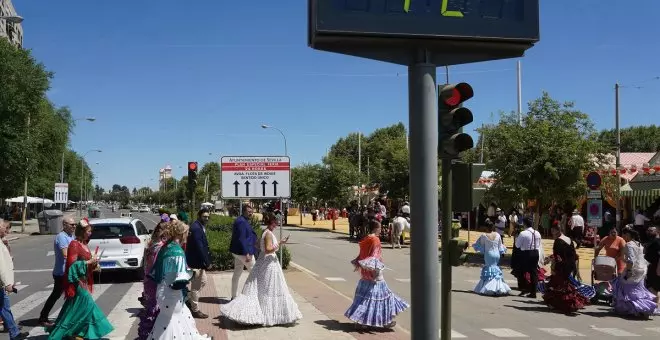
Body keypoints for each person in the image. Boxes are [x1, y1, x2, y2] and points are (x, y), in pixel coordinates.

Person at [221, 212, 302, 326]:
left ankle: (264, 313)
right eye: (275, 223)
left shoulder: (264, 232)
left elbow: (257, 245)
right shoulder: (268, 234)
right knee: (270, 289)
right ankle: (267, 315)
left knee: (263, 289)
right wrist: (280, 242)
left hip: (264, 261)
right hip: (269, 263)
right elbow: (268, 249)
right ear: (271, 223)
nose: (277, 225)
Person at [46, 218, 114, 339]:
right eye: (88, 231)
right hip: (78, 282)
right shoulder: (74, 244)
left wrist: (94, 265)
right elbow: (72, 266)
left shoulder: (84, 244)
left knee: (75, 308)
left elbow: (85, 262)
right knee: (89, 305)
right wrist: (89, 262)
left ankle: (77, 333)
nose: (90, 233)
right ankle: (80, 332)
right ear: (82, 231)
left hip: (84, 280)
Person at [147, 220, 211, 339]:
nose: (187, 236)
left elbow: (159, 272)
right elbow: (180, 280)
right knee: (172, 321)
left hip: (162, 291)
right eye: (187, 233)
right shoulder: (177, 251)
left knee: (175, 318)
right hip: (171, 295)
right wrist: (193, 273)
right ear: (181, 234)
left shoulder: (166, 247)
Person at [345, 220, 408, 329]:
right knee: (381, 296)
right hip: (375, 272)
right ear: (376, 228)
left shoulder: (365, 239)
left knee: (367, 297)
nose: (380, 230)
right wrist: (374, 270)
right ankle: (380, 321)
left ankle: (367, 321)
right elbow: (374, 256)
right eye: (379, 228)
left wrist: (362, 266)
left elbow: (361, 255)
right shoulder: (375, 239)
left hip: (365, 272)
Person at [542, 224, 594, 314]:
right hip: (570, 265)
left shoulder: (558, 241)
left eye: (553, 231)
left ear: (558, 230)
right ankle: (559, 303)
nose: (552, 233)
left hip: (562, 266)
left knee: (559, 284)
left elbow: (557, 255)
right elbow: (572, 253)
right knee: (562, 284)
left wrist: (550, 261)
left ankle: (567, 304)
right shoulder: (569, 239)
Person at [613, 228, 658, 318]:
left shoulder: (629, 244)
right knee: (638, 290)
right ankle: (643, 309)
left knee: (625, 288)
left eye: (624, 234)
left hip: (633, 270)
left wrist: (628, 271)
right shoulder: (639, 244)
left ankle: (634, 310)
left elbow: (631, 260)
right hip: (641, 270)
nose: (623, 236)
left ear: (628, 235)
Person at [38, 217, 76, 327]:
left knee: (68, 295)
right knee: (56, 295)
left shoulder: (70, 236)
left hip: (68, 271)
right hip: (61, 272)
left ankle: (68, 317)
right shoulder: (62, 237)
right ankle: (43, 317)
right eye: (71, 224)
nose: (74, 226)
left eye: (75, 224)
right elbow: (66, 254)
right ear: (64, 225)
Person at [137, 219, 170, 339]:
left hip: (148, 280)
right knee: (157, 309)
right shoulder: (161, 247)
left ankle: (147, 333)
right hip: (156, 281)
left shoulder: (152, 244)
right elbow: (160, 267)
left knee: (151, 307)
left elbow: (147, 264)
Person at [0, 220, 28, 340]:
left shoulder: (1, 241)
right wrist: (7, 283)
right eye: (4, 227)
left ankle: (14, 332)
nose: (6, 229)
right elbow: (1, 266)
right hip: (2, 283)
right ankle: (14, 333)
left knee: (4, 307)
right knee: (4, 307)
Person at [185, 209, 211, 319]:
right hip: (196, 262)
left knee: (203, 281)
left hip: (198, 262)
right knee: (196, 286)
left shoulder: (198, 226)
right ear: (199, 216)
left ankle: (188, 299)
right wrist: (207, 262)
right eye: (204, 216)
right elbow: (200, 247)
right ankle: (195, 310)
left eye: (208, 217)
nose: (206, 218)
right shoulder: (196, 228)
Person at [472, 222, 511, 296]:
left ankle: (489, 288)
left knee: (489, 269)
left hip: (489, 254)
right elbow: (500, 246)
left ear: (486, 227)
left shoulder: (484, 235)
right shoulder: (498, 235)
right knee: (495, 269)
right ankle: (498, 287)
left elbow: (479, 244)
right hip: (497, 254)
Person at [229, 204, 258, 299]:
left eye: (252, 211)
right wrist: (247, 254)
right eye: (249, 211)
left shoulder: (242, 220)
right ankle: (253, 296)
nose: (251, 213)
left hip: (238, 252)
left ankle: (234, 296)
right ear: (244, 211)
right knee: (255, 273)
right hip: (243, 252)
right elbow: (242, 239)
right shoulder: (241, 222)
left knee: (237, 273)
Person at [514, 218, 542, 298]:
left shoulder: (523, 233)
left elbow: (517, 245)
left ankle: (524, 289)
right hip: (535, 253)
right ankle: (533, 292)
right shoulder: (537, 233)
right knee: (533, 273)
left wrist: (517, 238)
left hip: (526, 253)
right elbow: (539, 244)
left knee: (520, 271)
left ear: (524, 224)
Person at [645, 227, 660, 302]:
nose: (648, 232)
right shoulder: (652, 241)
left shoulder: (658, 242)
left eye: (651, 230)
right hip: (651, 266)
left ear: (657, 231)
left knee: (654, 287)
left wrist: (658, 268)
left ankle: (656, 306)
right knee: (652, 286)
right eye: (648, 230)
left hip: (656, 266)